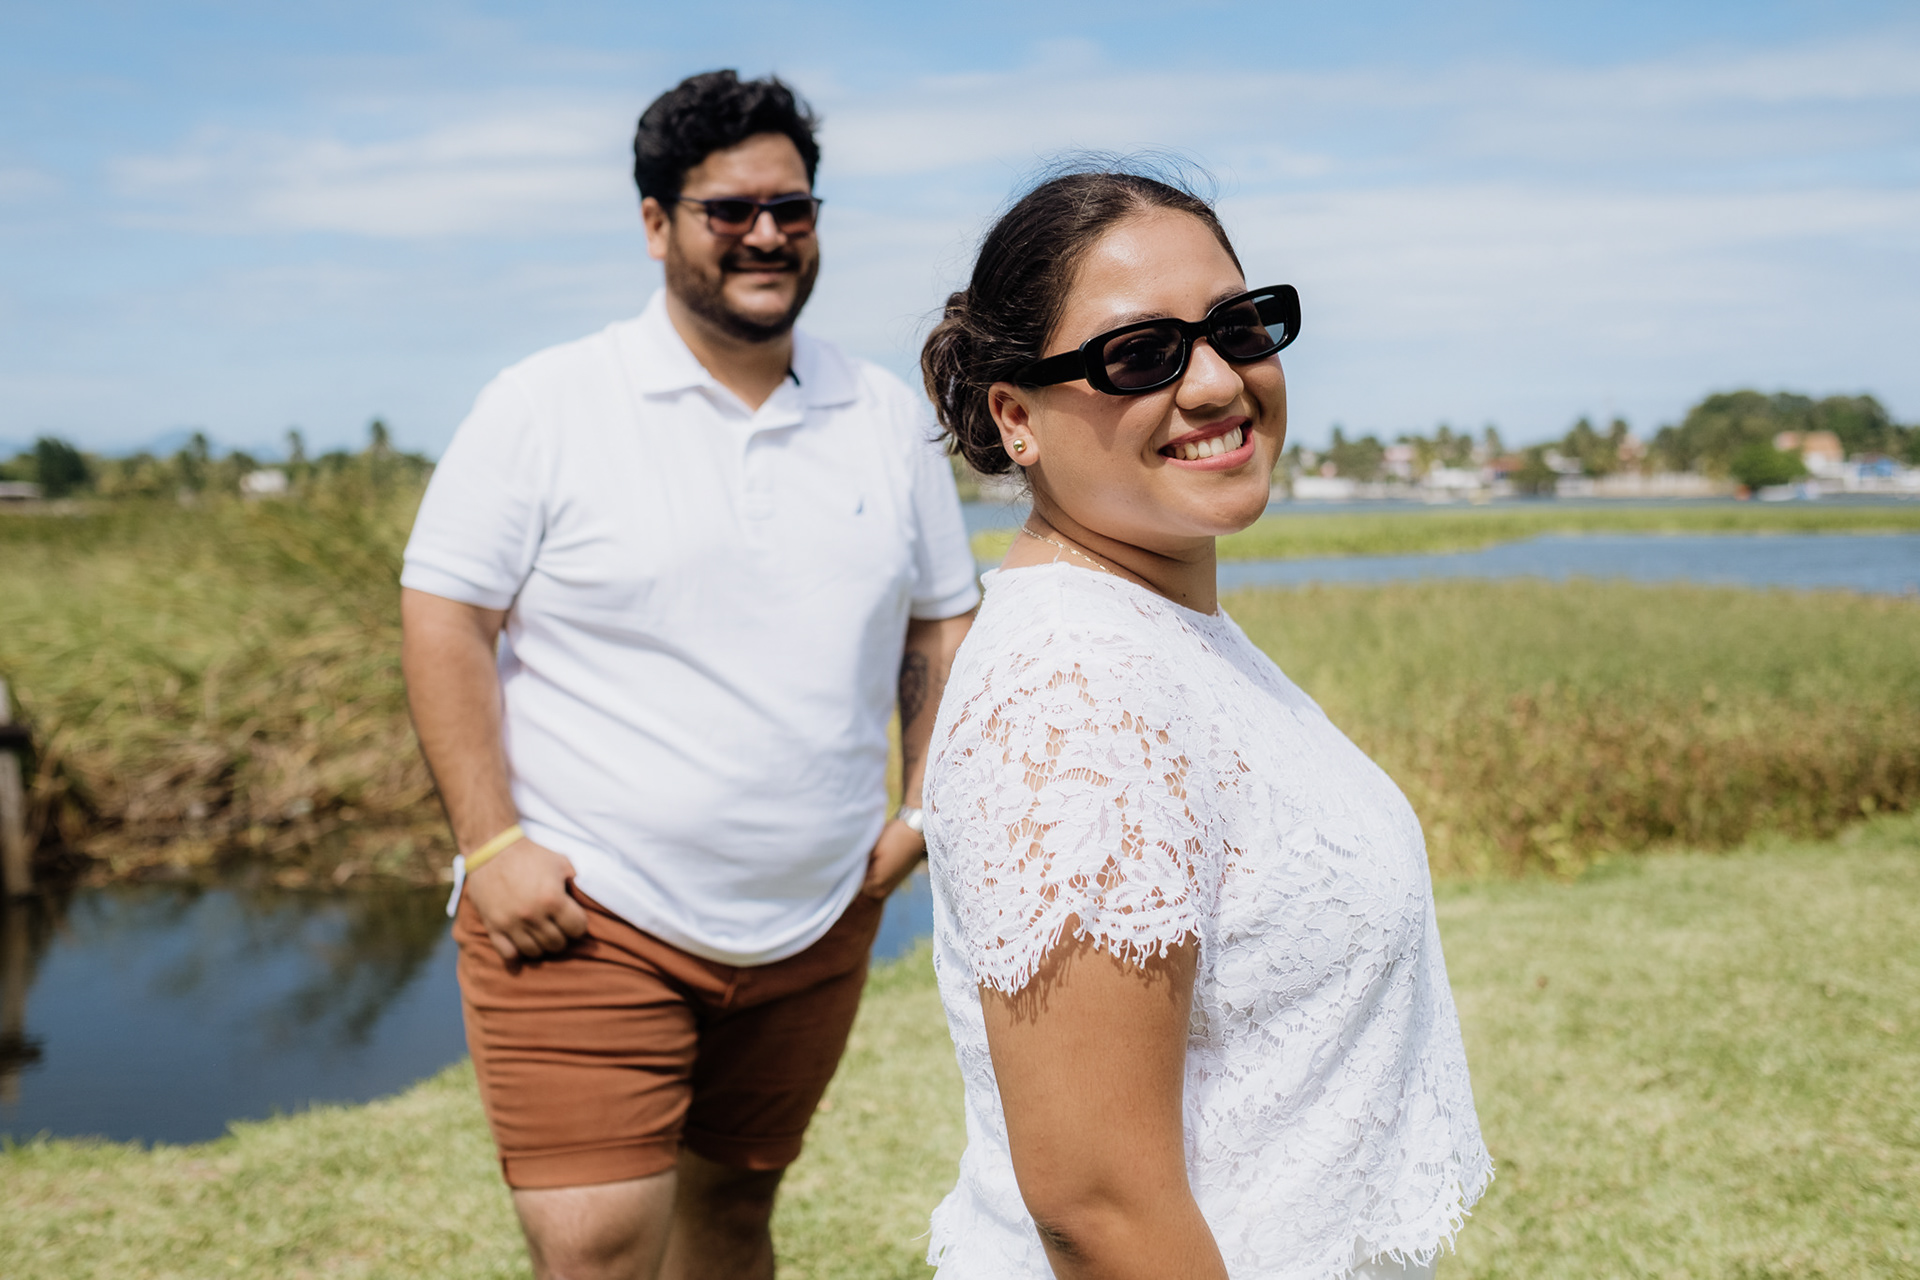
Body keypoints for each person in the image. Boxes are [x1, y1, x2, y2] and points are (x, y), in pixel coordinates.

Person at [400, 70, 978, 1280]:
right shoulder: (547, 403)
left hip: (815, 919)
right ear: (657, 223)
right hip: (587, 914)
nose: (768, 233)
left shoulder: (880, 413)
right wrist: (493, 846)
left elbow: (941, 621)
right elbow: (446, 614)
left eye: (793, 206)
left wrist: (920, 813)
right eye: (731, 210)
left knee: (732, 1217)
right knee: (597, 1246)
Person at [915, 168, 1491, 1280]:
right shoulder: (1074, 689)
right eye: (1141, 354)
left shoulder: (1159, 628)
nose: (1219, 381)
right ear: (1015, 416)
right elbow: (1099, 1207)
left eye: (1238, 327)